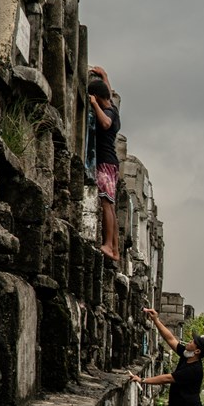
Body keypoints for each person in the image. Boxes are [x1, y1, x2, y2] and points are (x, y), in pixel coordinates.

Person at [88, 66, 121, 262]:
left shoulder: (107, 112)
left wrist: (94, 104)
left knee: (106, 204)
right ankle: (115, 248)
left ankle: (109, 245)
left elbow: (106, 124)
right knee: (111, 204)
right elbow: (107, 93)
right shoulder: (113, 108)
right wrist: (105, 76)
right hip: (112, 164)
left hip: (105, 163)